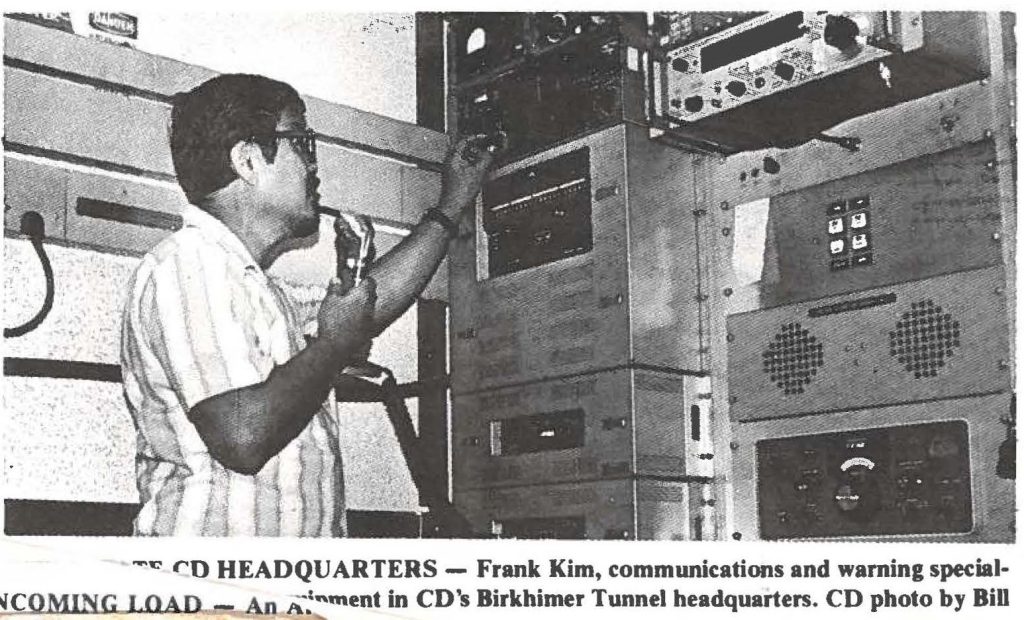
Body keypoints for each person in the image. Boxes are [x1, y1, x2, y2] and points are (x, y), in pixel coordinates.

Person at [120, 73, 496, 536]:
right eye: (302, 143)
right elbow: (242, 437)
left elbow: (365, 308)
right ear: (248, 159)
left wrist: (452, 203)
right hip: (216, 596)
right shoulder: (183, 265)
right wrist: (334, 345)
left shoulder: (260, 289)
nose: (313, 167)